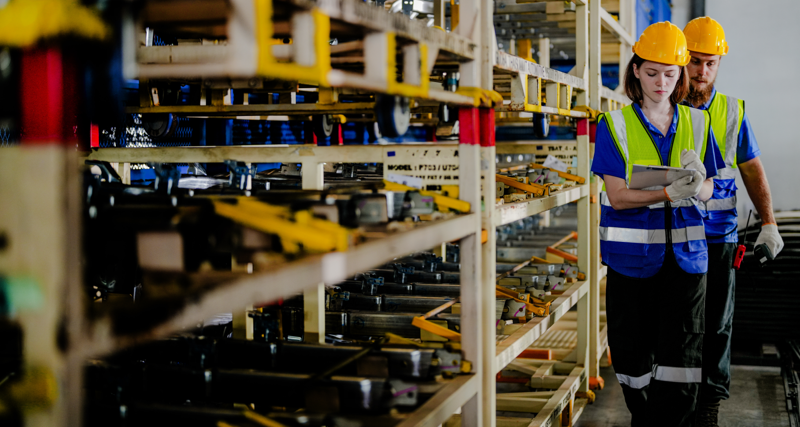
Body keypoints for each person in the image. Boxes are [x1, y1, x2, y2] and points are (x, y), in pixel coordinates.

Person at [591, 21, 725, 426]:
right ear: (635, 71)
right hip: (631, 263)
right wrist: (667, 193)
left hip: (687, 261)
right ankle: (645, 418)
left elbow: (715, 189)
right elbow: (617, 196)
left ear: (680, 74)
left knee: (682, 358)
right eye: (651, 73)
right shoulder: (614, 125)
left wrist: (700, 185)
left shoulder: (698, 123)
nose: (661, 83)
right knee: (631, 355)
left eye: (670, 74)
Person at [682, 17, 785, 426]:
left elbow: (752, 168)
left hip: (718, 238)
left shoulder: (731, 111)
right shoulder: (661, 106)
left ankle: (708, 405)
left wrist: (769, 223)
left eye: (710, 63)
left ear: (719, 64)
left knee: (717, 325)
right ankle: (675, 401)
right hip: (671, 236)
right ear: (681, 59)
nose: (702, 71)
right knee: (676, 324)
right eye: (695, 61)